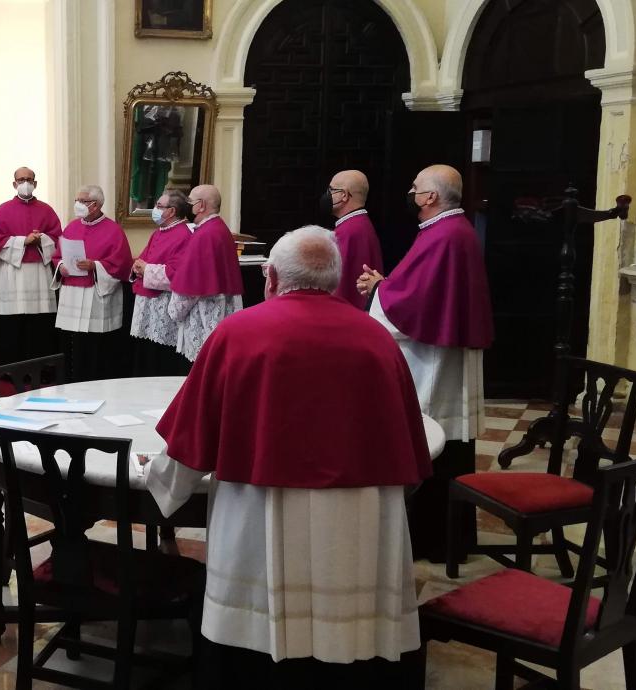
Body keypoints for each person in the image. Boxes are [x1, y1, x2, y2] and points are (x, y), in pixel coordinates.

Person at [146, 226, 431, 687]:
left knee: (256, 633)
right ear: (335, 281)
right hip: (358, 518)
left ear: (271, 277)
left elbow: (193, 437)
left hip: (256, 511)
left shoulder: (238, 333)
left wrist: (162, 482)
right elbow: (407, 443)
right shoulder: (376, 339)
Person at [358, 164, 493, 562]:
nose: (411, 194)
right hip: (443, 349)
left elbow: (414, 303)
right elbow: (422, 289)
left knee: (434, 438)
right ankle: (444, 538)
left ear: (431, 197)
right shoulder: (449, 231)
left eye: (415, 188)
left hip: (435, 359)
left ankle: (432, 539)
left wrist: (380, 289)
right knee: (445, 441)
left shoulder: (446, 235)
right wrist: (387, 284)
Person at [53, 185, 133, 381]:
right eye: (77, 201)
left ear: (95, 205)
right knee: (73, 341)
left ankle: (95, 382)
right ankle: (71, 380)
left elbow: (121, 265)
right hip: (72, 292)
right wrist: (61, 265)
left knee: (95, 344)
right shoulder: (72, 226)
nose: (77, 205)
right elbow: (57, 254)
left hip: (96, 294)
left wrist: (94, 266)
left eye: (82, 201)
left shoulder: (113, 230)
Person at [0, 167, 63, 362]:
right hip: (13, 275)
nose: (25, 183)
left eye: (29, 179)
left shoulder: (47, 210)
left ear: (35, 184)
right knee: (14, 322)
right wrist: (23, 242)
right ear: (14, 184)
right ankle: (12, 369)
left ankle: (43, 368)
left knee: (40, 322)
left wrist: (41, 239)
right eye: (21, 180)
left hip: (40, 274)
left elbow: (57, 238)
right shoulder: (3, 210)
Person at [163, 184, 242, 362]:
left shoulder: (204, 235)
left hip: (205, 316)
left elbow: (191, 286)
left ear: (201, 206)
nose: (188, 206)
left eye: (191, 201)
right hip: (218, 311)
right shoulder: (219, 228)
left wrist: (174, 311)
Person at [130, 189, 193, 376]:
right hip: (147, 303)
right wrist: (137, 267)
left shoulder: (184, 235)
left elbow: (179, 274)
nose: (155, 209)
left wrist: (146, 269)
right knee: (145, 354)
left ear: (172, 211)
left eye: (159, 206)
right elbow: (142, 260)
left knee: (160, 359)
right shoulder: (159, 232)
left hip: (163, 305)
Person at [321, 170, 383, 307]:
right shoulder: (359, 224)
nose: (327, 194)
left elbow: (339, 283)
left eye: (331, 189)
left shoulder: (349, 232)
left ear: (344, 195)